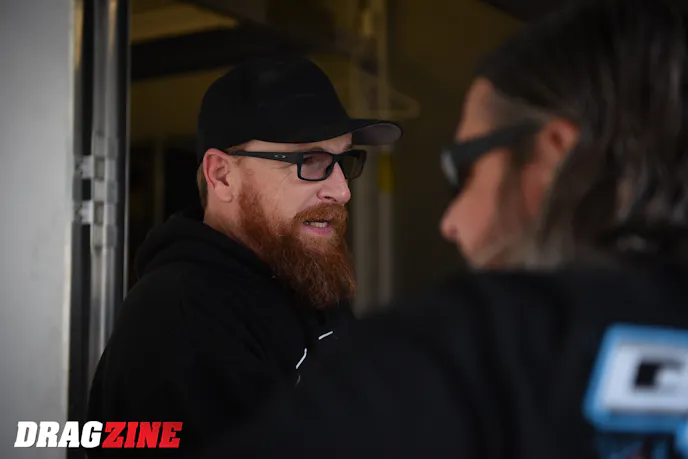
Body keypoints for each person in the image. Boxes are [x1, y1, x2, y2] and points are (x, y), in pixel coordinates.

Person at [196, 1, 688, 458]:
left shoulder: (448, 359)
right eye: (311, 162)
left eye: (463, 170)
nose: (449, 223)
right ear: (220, 175)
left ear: (554, 157)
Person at [86, 55, 402, 454]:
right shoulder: (180, 321)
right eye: (310, 161)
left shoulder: (302, 273)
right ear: (222, 175)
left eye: (343, 160)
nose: (341, 191)